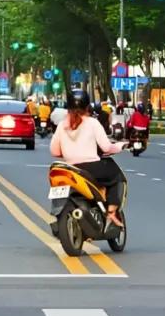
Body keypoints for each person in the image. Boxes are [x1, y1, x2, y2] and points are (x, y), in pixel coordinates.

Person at [49, 89, 124, 227]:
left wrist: (69, 152)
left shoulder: (62, 125)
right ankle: (112, 211)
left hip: (70, 168)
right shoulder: (92, 123)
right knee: (117, 175)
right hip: (91, 168)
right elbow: (106, 148)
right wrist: (119, 146)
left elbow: (54, 151)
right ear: (87, 106)